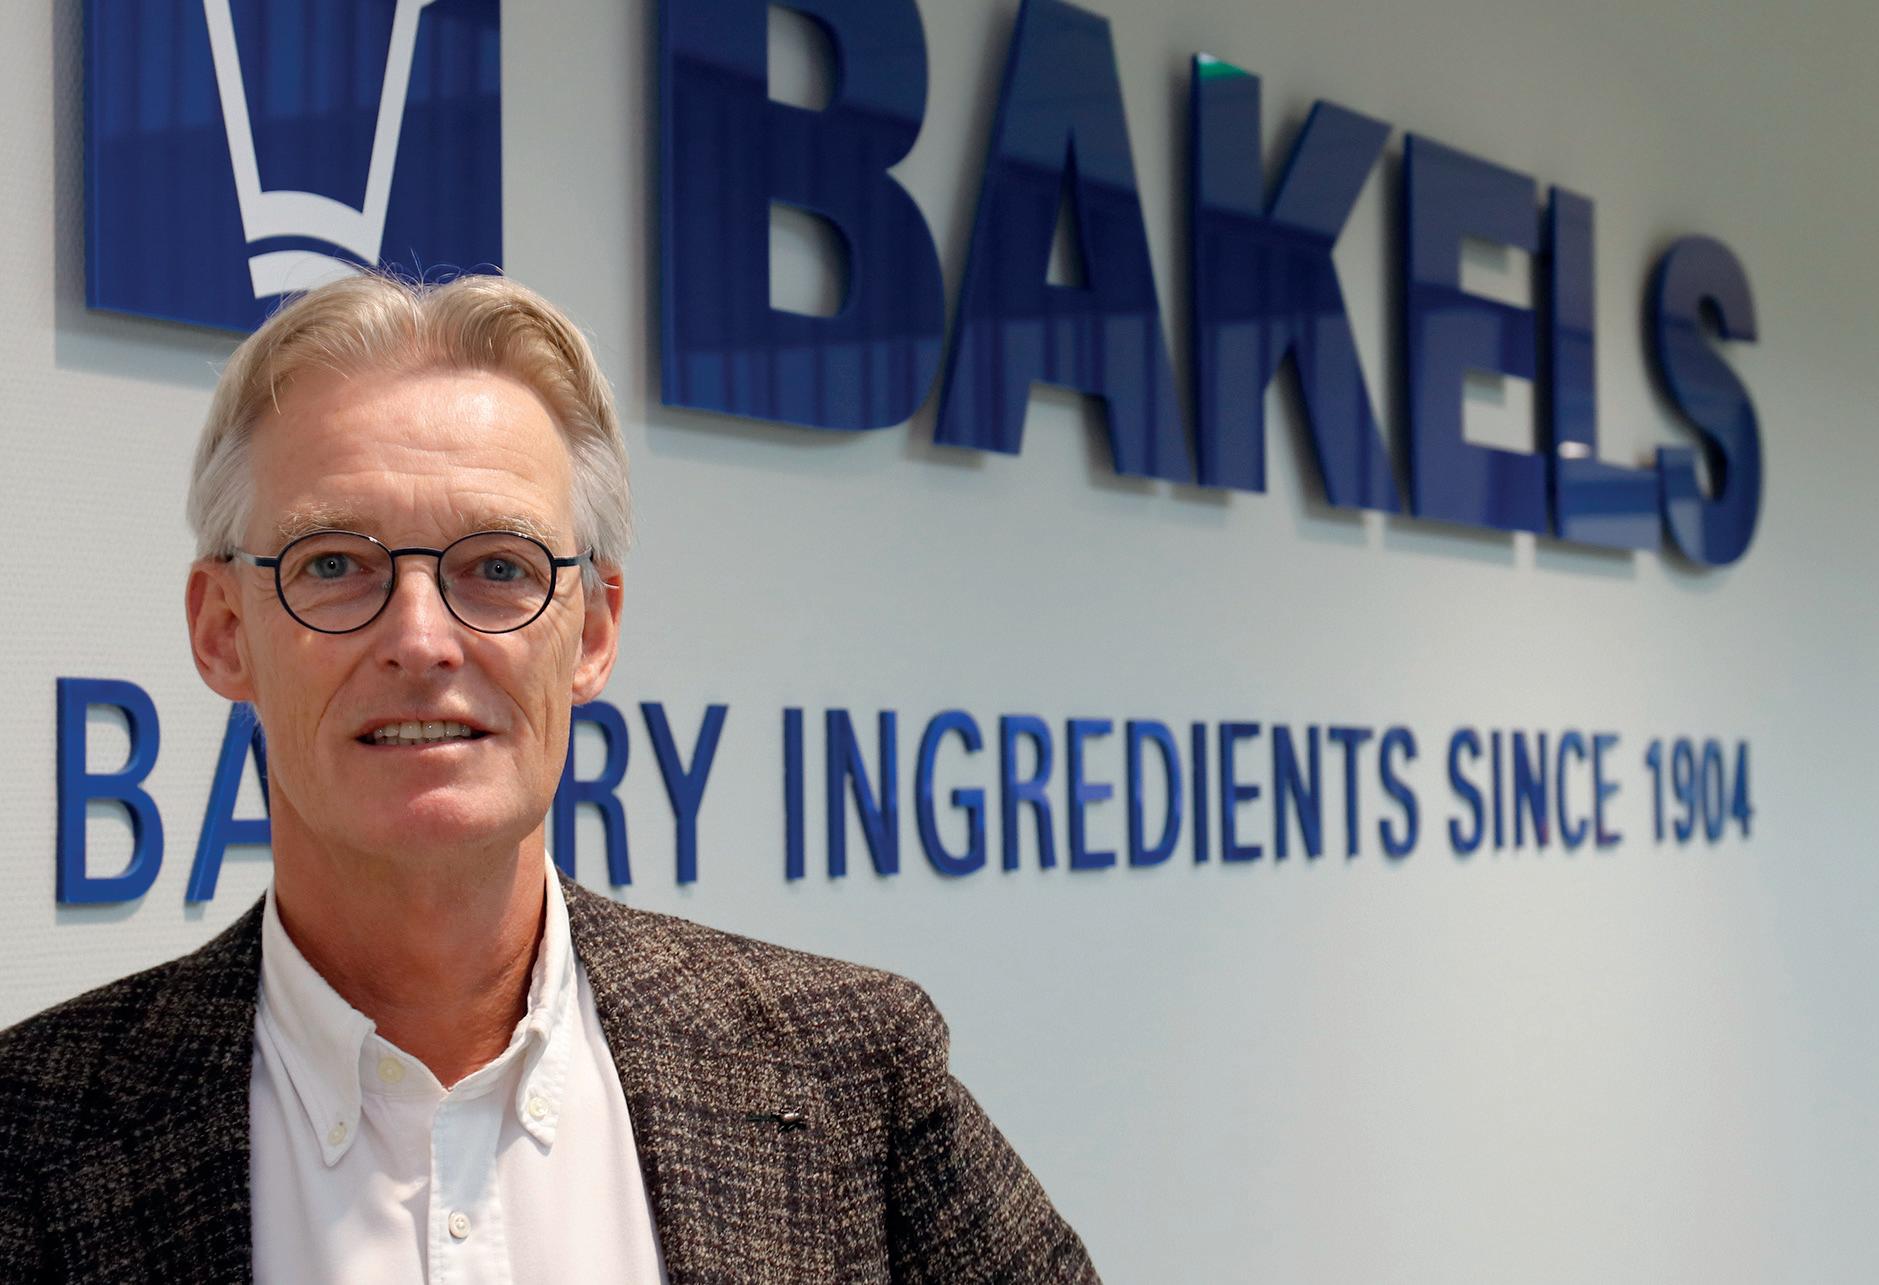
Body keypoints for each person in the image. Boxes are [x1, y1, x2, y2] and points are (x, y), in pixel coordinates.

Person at [0, 274, 1099, 1283]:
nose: (420, 639)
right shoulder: (28, 1136)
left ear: (593, 632)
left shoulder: (851, 1072)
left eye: (499, 568)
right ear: (224, 629)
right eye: (333, 563)